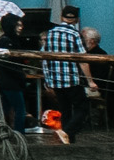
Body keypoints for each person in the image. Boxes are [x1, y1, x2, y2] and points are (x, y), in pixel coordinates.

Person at [39, 10, 94, 139]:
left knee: (65, 110)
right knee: (82, 108)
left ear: (61, 17)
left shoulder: (50, 33)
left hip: (55, 79)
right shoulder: (75, 34)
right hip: (71, 78)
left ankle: (68, 140)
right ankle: (67, 133)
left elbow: (44, 57)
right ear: (77, 19)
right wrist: (90, 81)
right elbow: (83, 59)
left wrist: (48, 80)